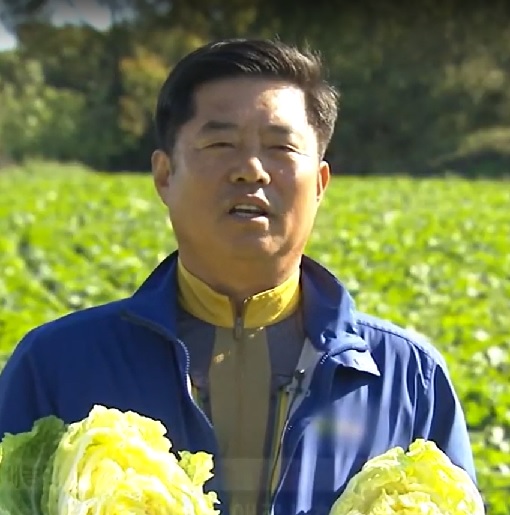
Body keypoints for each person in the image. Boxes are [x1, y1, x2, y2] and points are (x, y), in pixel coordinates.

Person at [0, 38, 476, 515]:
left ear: (321, 184)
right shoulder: (56, 367)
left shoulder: (409, 380)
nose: (252, 170)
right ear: (165, 175)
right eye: (221, 143)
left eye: (280, 147)